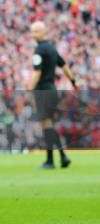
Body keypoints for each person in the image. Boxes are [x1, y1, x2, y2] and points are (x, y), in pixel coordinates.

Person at [28, 21, 76, 169]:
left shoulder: (39, 50)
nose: (33, 34)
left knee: (46, 125)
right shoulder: (52, 49)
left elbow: (37, 72)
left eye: (36, 31)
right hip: (52, 90)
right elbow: (64, 65)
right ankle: (62, 157)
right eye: (32, 31)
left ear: (43, 32)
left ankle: (50, 161)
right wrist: (73, 81)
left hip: (43, 90)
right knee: (49, 125)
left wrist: (29, 89)